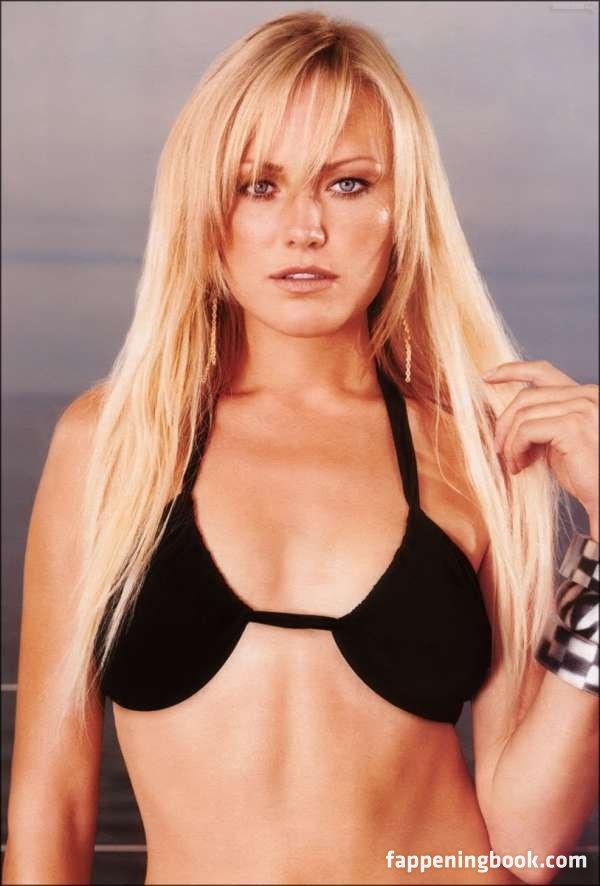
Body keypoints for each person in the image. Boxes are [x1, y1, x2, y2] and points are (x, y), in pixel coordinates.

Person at [3, 10, 598, 886]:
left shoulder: (477, 454)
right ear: (207, 209)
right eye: (259, 185)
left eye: (348, 184)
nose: (304, 227)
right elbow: (50, 807)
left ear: (403, 208)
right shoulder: (112, 446)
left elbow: (524, 844)